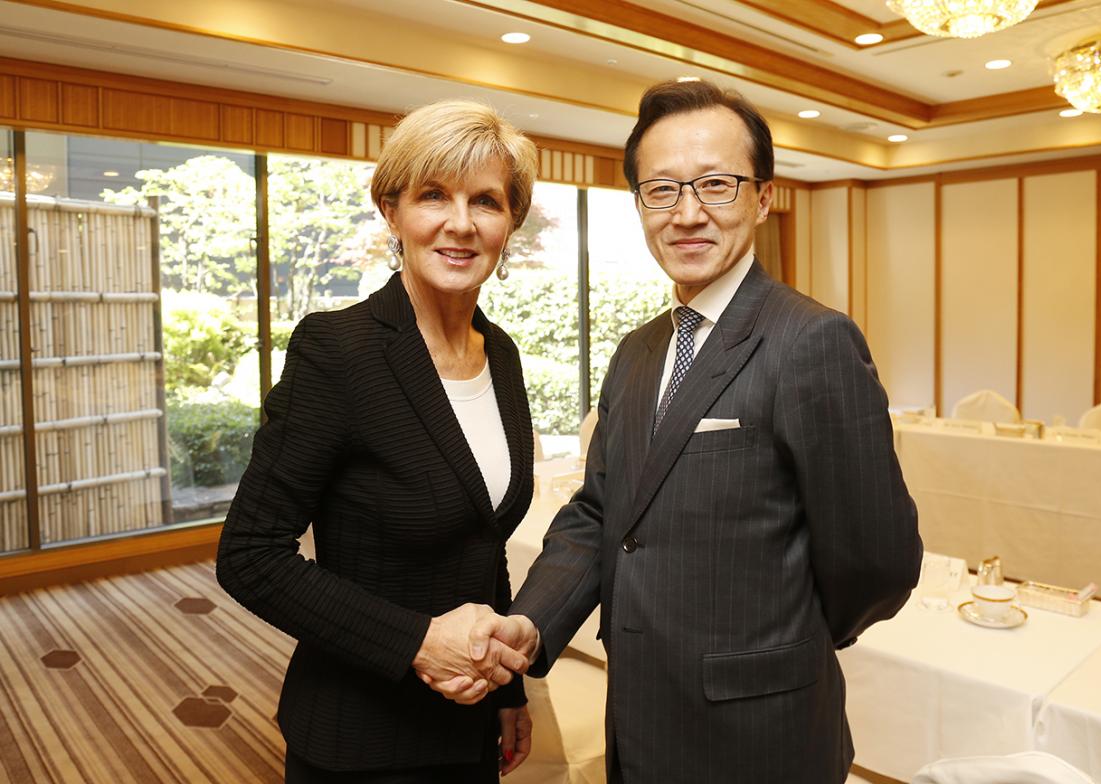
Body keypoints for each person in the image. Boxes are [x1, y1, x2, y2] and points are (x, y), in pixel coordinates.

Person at [458, 80, 923, 783]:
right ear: (640, 203)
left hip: (761, 732)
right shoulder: (639, 351)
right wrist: (532, 622)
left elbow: (878, 559)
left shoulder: (811, 341)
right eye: (663, 190)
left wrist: (783, 644)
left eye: (717, 184)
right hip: (641, 713)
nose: (688, 214)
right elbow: (601, 512)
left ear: (764, 197)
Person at [216, 99, 540, 782]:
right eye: (432, 195)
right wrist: (419, 643)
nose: (460, 223)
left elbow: (483, 545)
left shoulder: (502, 355)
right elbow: (248, 555)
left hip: (468, 725)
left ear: (510, 220)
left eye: (485, 201)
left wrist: (509, 691)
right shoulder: (338, 351)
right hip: (359, 742)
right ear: (391, 210)